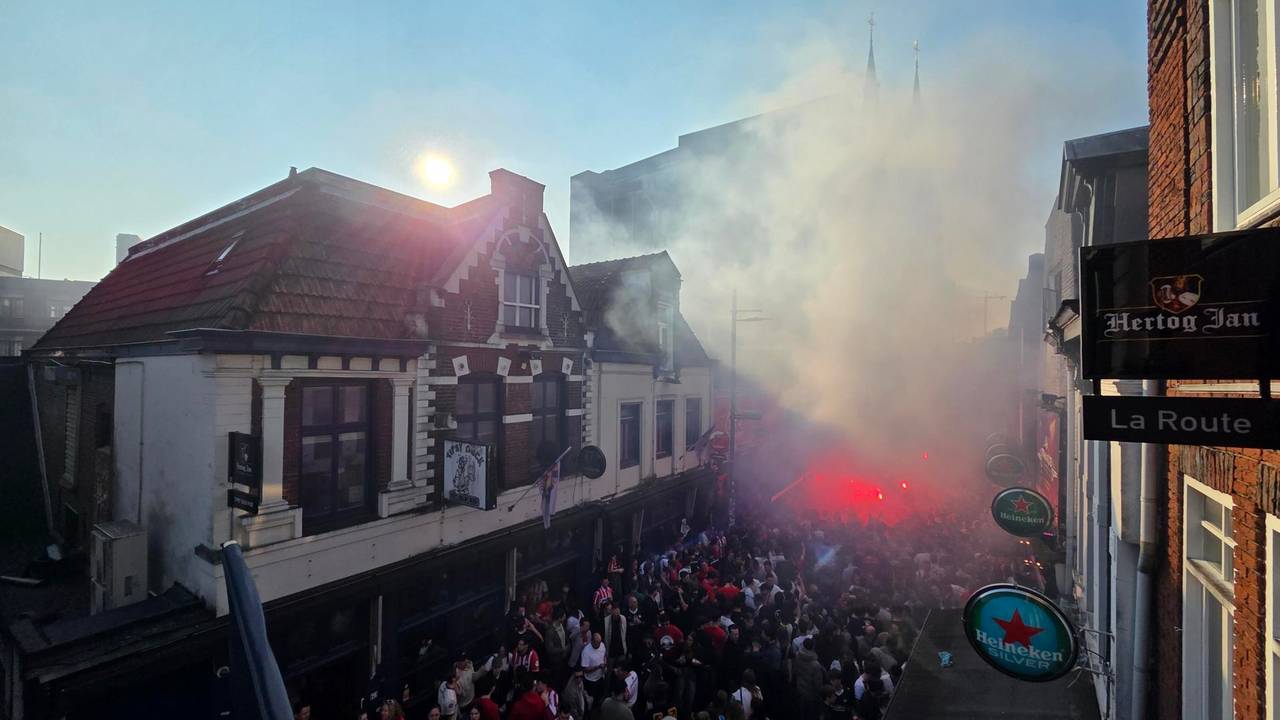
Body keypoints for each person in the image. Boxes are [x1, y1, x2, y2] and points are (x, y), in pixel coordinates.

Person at [792, 637, 825, 720]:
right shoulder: (816, 665)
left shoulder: (797, 656)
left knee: (802, 714)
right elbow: (818, 683)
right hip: (811, 695)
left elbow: (795, 670)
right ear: (813, 647)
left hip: (800, 690)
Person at [580, 631, 609, 712]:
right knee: (590, 698)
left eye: (600, 642)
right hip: (591, 680)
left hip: (600, 677)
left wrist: (605, 663)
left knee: (599, 695)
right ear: (592, 641)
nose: (599, 645)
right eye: (597, 643)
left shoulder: (602, 645)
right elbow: (585, 669)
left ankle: (597, 706)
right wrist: (598, 667)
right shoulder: (586, 652)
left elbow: (604, 655)